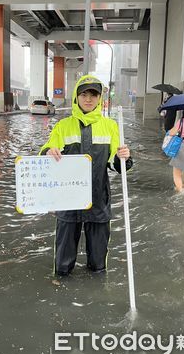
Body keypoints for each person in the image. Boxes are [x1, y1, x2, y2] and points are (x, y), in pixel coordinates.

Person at [39, 75, 133, 276]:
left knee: (98, 266)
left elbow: (116, 166)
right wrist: (48, 152)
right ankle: (61, 288)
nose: (88, 99)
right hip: (68, 201)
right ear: (76, 97)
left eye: (93, 94)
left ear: (99, 99)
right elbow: (47, 150)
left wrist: (122, 157)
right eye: (84, 94)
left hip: (98, 200)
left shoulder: (110, 126)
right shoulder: (63, 126)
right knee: (62, 266)